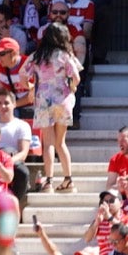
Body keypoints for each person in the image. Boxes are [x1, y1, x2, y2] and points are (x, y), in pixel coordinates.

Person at [30, 22, 82, 192]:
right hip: (62, 99)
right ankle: (68, 180)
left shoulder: (37, 55)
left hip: (43, 99)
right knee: (61, 143)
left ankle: (49, 181)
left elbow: (23, 76)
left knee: (48, 144)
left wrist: (32, 88)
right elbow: (76, 78)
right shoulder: (66, 56)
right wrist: (71, 87)